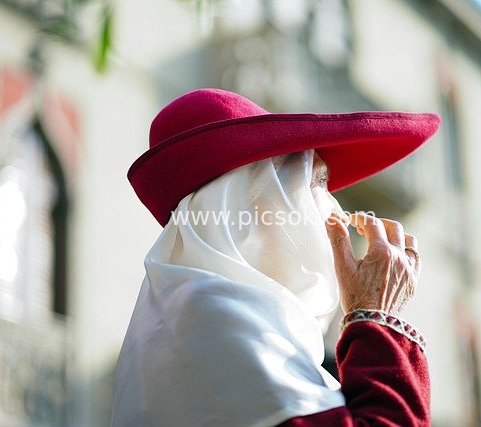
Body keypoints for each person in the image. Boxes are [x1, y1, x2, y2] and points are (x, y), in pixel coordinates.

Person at [111, 88, 440, 427]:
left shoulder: (203, 309)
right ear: (251, 198)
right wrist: (377, 318)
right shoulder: (216, 313)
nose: (335, 210)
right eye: (318, 182)